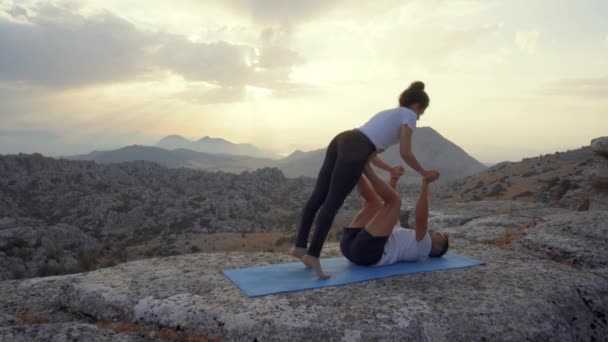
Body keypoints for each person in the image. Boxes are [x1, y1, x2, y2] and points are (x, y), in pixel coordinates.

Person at [293, 81, 437, 279]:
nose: (419, 118)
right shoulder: (409, 115)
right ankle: (313, 255)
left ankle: (300, 245)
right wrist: (424, 172)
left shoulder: (388, 114)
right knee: (333, 202)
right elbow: (405, 152)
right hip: (356, 148)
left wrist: (389, 169)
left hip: (343, 139)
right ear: (417, 106)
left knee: (319, 196)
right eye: (421, 113)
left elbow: (369, 154)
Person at [340, 164, 448, 267]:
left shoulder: (424, 249)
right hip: (349, 244)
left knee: (396, 202)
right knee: (376, 203)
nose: (436, 232)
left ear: (438, 247)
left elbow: (421, 219)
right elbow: (388, 207)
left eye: (439, 235)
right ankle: (356, 168)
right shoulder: (402, 237)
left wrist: (425, 184)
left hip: (366, 252)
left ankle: (365, 166)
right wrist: (394, 178)